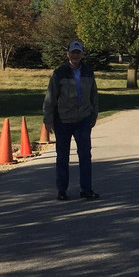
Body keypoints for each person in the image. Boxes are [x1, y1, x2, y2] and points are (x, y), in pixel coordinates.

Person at [43, 40, 100, 201]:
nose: (75, 55)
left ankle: (86, 189)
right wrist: (48, 119)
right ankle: (62, 190)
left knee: (85, 155)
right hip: (63, 120)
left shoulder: (88, 72)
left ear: (82, 54)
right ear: (68, 53)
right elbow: (50, 97)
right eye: (73, 52)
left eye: (78, 52)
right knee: (62, 156)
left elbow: (94, 95)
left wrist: (94, 114)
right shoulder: (59, 73)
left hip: (83, 119)